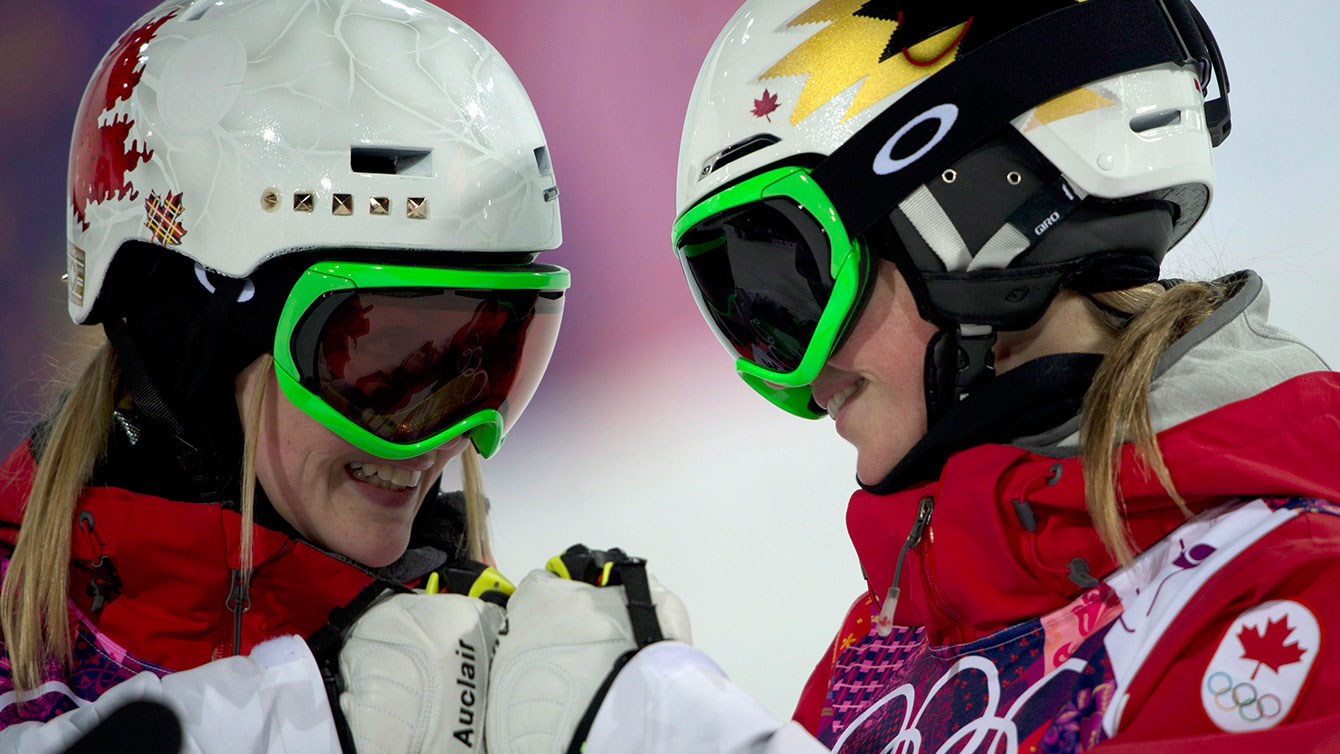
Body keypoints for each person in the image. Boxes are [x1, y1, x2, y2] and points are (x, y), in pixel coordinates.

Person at [483, 1, 1340, 752]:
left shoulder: (1294, 590)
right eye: (746, 311)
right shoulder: (894, 634)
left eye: (789, 288)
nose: (797, 383)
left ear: (972, 206)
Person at [0, 1, 568, 752]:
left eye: (487, 362)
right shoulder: (26, 670)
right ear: (195, 342)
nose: (436, 439)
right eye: (381, 364)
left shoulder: (487, 669)